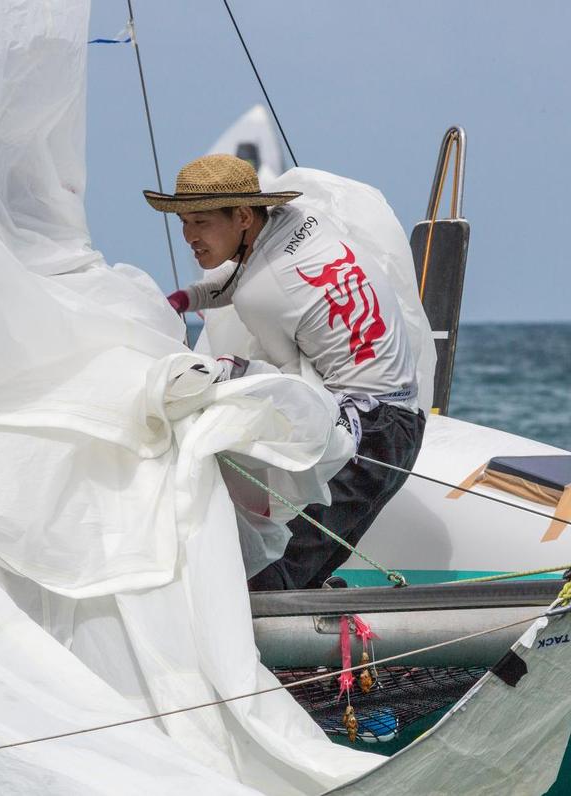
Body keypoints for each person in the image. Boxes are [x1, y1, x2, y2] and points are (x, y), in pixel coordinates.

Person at [143, 154, 426, 590]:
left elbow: (291, 388)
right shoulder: (303, 220)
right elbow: (245, 280)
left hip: (367, 436)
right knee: (309, 571)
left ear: (241, 216)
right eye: (183, 221)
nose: (188, 236)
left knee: (271, 577)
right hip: (404, 424)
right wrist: (185, 299)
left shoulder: (263, 294)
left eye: (200, 222)